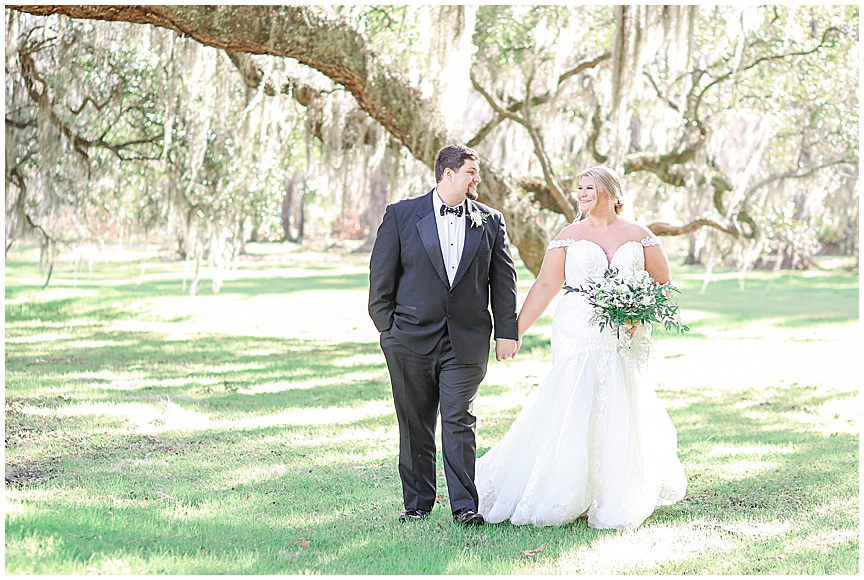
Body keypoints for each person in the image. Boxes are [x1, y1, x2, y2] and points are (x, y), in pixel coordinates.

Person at [475, 166, 686, 530]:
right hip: (577, 331)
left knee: (620, 403)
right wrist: (514, 332)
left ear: (612, 193)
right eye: (581, 188)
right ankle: (565, 487)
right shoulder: (568, 236)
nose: (583, 193)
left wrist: (640, 312)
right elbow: (544, 286)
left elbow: (664, 284)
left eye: (591, 187)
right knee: (574, 400)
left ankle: (611, 490)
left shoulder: (641, 235)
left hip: (623, 335)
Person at [368, 144, 520, 526]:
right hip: (409, 340)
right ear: (447, 173)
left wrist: (507, 332)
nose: (477, 179)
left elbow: (503, 282)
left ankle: (465, 506)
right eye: (471, 172)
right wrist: (389, 331)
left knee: (458, 418)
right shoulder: (402, 216)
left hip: (466, 340)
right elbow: (380, 281)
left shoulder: (490, 220)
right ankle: (417, 503)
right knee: (415, 422)